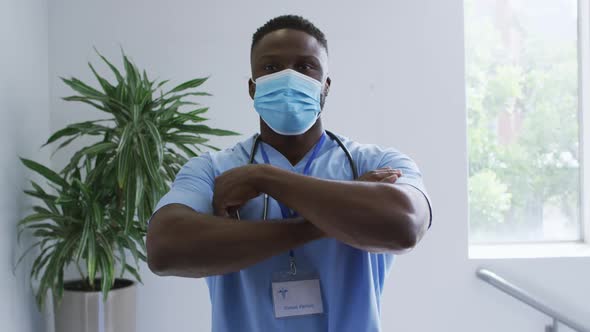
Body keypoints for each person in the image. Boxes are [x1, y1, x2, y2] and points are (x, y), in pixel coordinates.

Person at [147, 14, 432, 332]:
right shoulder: (211, 170)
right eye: (271, 67)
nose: (288, 77)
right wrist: (320, 224)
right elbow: (165, 247)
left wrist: (264, 178)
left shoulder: (376, 163)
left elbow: (406, 224)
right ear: (252, 88)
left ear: (326, 86)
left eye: (305, 66)